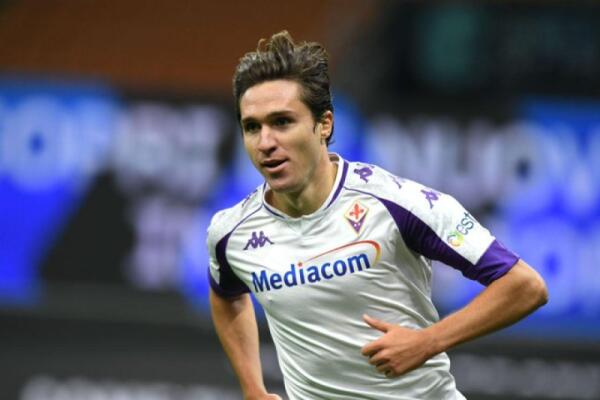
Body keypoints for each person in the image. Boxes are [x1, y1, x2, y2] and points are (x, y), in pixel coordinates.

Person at [207, 30, 548, 400]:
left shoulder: (396, 204)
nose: (266, 142)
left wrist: (428, 341)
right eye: (252, 127)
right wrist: (253, 388)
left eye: (282, 122)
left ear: (324, 124)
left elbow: (524, 285)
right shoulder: (232, 234)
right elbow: (227, 295)